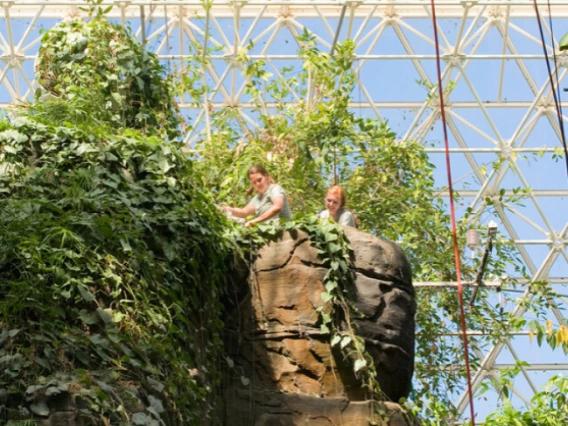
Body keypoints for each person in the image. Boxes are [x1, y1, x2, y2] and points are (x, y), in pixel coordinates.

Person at [224, 164, 292, 227]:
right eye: (254, 183)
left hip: (282, 229)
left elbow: (277, 207)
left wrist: (253, 222)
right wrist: (228, 210)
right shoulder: (257, 198)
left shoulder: (274, 189)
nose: (258, 184)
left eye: (259, 180)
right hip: (268, 233)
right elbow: (244, 212)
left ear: (266, 176)